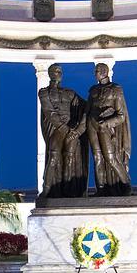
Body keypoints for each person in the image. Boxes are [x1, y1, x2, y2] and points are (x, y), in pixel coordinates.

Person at [38, 64, 89, 199]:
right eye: (55, 71)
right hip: (57, 129)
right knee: (53, 157)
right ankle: (47, 190)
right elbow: (49, 112)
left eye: (60, 71)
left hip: (71, 129)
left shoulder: (70, 92)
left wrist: (79, 128)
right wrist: (64, 128)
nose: (58, 73)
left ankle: (69, 190)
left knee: (70, 158)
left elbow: (86, 106)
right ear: (49, 73)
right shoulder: (44, 92)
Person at [86, 63, 132, 196]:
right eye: (95, 70)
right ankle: (101, 188)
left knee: (110, 158)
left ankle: (126, 184)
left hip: (105, 127)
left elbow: (121, 115)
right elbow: (87, 111)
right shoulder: (93, 90)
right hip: (92, 125)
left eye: (97, 70)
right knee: (97, 158)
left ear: (105, 72)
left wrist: (106, 123)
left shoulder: (116, 89)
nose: (95, 73)